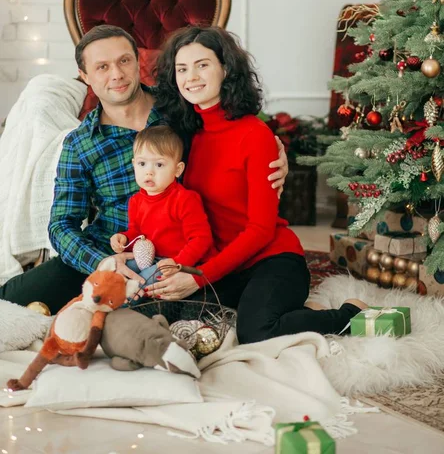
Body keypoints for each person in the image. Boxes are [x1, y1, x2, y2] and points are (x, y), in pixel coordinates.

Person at [0, 25, 288, 313]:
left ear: (138, 63)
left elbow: (232, 125)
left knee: (152, 320)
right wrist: (103, 262)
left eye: (124, 60)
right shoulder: (80, 144)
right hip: (112, 250)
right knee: (9, 299)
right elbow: (61, 225)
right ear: (85, 77)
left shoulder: (179, 107)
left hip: (179, 252)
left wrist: (276, 152)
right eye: (102, 67)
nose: (117, 74)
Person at [143, 26, 368, 344]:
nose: (191, 76)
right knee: (170, 313)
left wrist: (200, 278)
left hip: (270, 257)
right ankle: (304, 311)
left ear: (225, 69)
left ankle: (349, 313)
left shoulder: (255, 134)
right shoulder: (183, 134)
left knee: (255, 331)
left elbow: (261, 230)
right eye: (182, 68)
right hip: (224, 262)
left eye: (202, 64)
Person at [110, 125, 214, 285]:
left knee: (139, 282)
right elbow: (137, 232)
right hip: (149, 257)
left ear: (177, 170)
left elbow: (201, 239)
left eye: (159, 165)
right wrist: (124, 238)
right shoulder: (136, 201)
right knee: (116, 273)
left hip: (178, 261)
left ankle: (124, 298)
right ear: (134, 164)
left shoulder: (185, 199)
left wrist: (178, 263)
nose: (149, 172)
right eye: (142, 164)